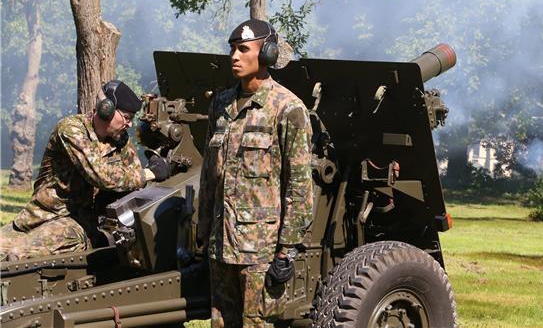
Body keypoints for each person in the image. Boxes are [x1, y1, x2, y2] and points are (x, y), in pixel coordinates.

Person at [198, 18, 314, 327]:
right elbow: (209, 175)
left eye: (243, 50)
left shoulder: (287, 108)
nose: (234, 57)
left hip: (260, 251)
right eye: (232, 50)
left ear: (267, 55)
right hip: (220, 247)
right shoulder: (221, 104)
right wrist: (202, 232)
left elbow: (299, 185)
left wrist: (287, 251)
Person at [0, 80, 170, 262]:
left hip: (76, 224)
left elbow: (133, 177)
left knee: (17, 256)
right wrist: (150, 173)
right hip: (40, 217)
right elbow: (101, 175)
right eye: (127, 117)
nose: (129, 124)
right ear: (107, 110)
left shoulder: (121, 141)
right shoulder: (71, 130)